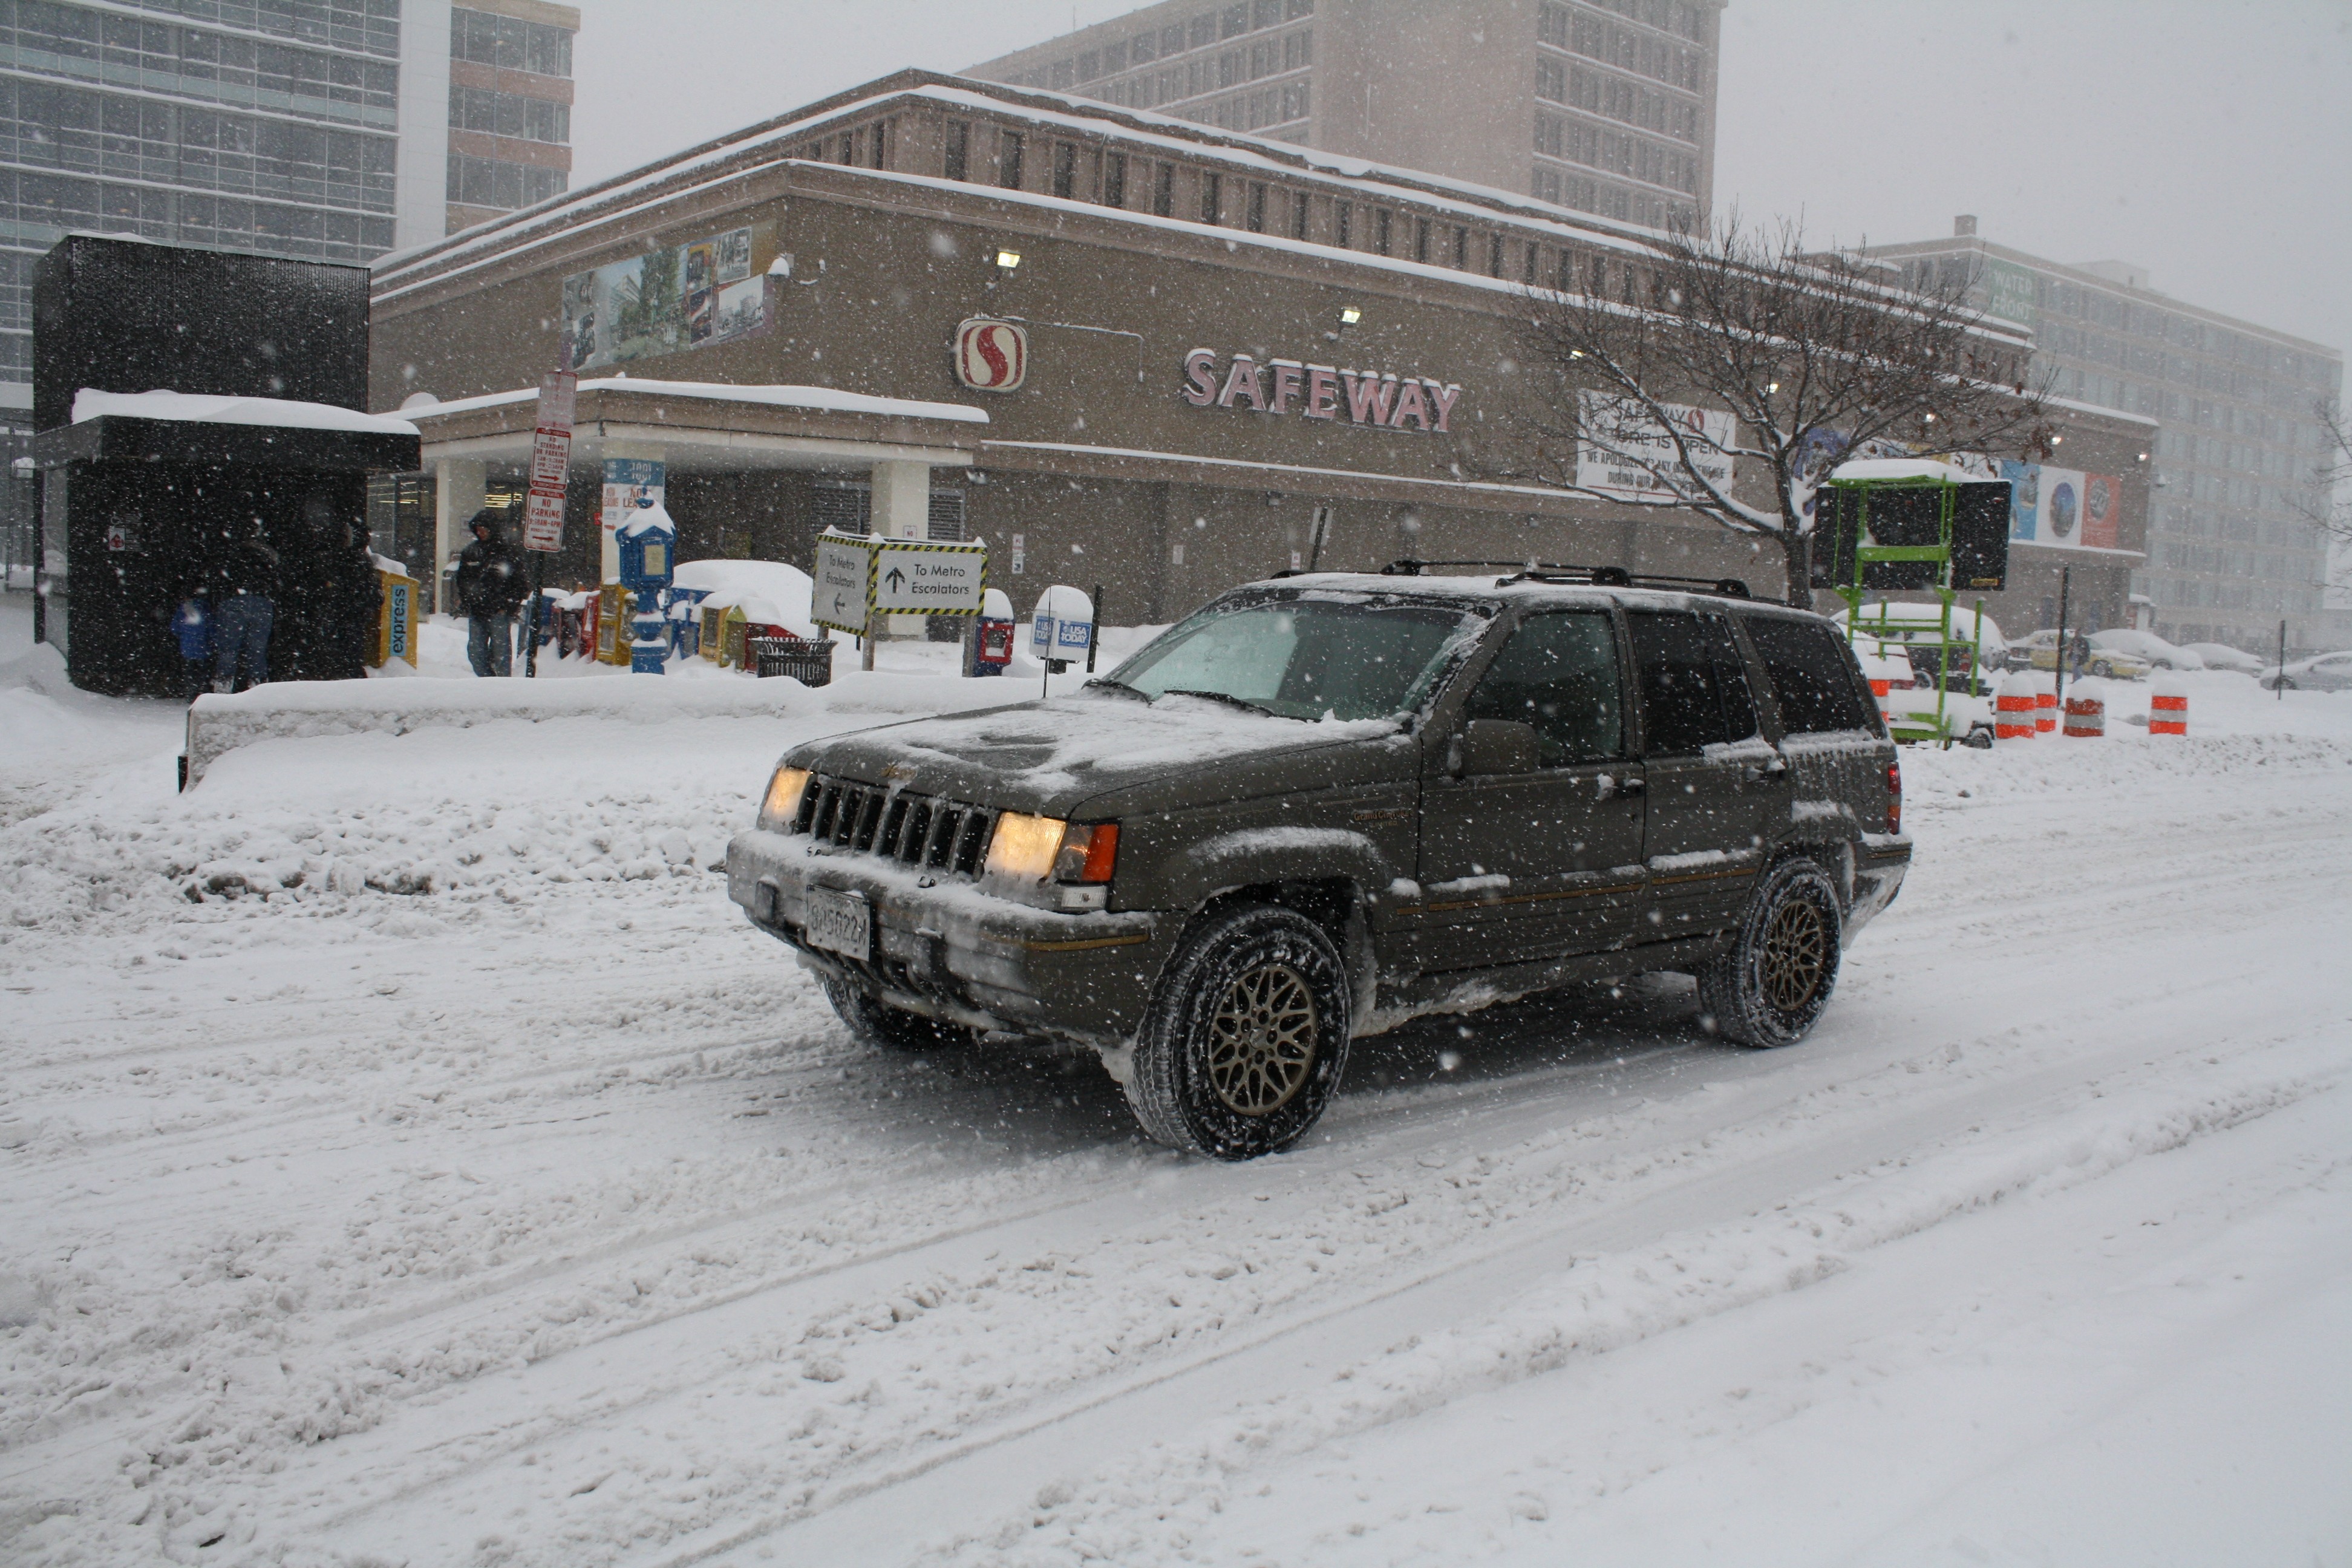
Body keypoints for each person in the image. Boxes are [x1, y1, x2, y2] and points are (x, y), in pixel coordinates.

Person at [453, 510, 526, 677]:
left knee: (501, 652)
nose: (480, 533)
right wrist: (468, 601)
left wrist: (508, 605)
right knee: (475, 651)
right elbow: (462, 580)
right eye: (478, 529)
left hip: (499, 611)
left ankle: (501, 684)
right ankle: (489, 681)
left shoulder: (507, 553)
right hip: (478, 610)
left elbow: (519, 582)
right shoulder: (470, 552)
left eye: (484, 529)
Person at [212, 526, 279, 693]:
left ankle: (223, 687)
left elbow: (218, 578)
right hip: (262, 602)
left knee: (229, 649)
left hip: (234, 601)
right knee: (257, 650)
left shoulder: (231, 554)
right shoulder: (269, 554)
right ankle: (258, 687)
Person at [171, 594, 213, 700]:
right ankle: (203, 694)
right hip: (204, 647)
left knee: (189, 671)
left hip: (187, 646)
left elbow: (175, 628)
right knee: (204, 671)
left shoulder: (183, 610)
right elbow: (212, 629)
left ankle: (191, 693)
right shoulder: (206, 609)